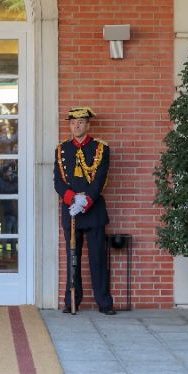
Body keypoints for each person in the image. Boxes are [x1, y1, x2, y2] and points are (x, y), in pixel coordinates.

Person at [53, 106, 115, 315]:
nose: (76, 126)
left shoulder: (101, 149)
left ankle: (104, 303)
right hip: (71, 211)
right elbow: (58, 182)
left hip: (93, 210)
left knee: (98, 259)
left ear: (88, 125)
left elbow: (100, 180)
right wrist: (72, 198)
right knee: (73, 259)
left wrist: (85, 201)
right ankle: (72, 302)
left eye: (80, 122)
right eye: (73, 123)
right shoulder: (61, 149)